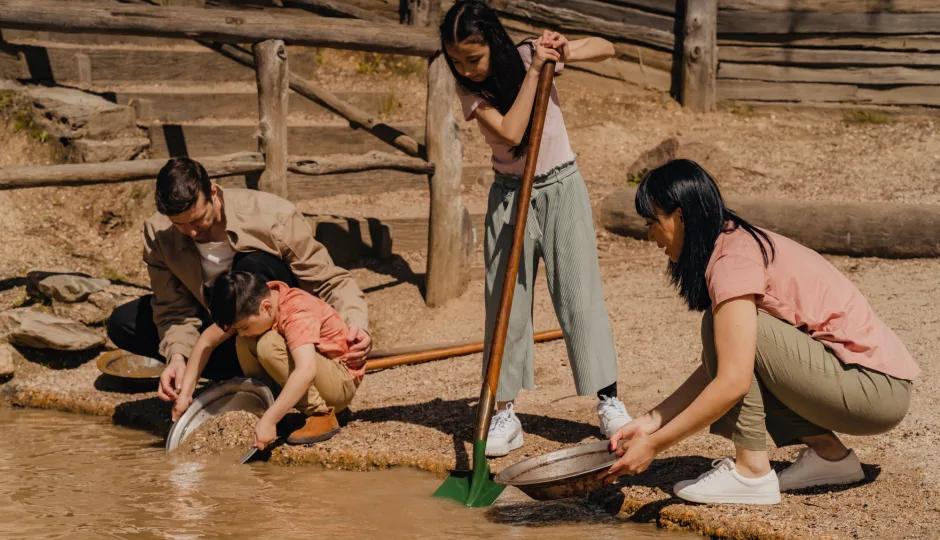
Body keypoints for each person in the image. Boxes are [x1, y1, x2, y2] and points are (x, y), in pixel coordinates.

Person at [602, 159, 918, 504]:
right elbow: (721, 366)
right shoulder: (729, 242)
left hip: (873, 392)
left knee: (724, 334)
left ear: (680, 216)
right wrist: (649, 422)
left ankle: (751, 472)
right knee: (730, 340)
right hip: (870, 387)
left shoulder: (731, 262)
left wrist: (655, 445)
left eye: (653, 222)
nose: (650, 236)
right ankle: (830, 457)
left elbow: (732, 381)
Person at [440, 0, 631, 457]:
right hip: (510, 197)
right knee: (507, 305)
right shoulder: (472, 90)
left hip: (562, 186)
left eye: (473, 58)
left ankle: (609, 401)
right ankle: (505, 411)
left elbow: (607, 47)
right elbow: (510, 131)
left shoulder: (531, 55)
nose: (466, 70)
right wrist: (535, 74)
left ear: (495, 42)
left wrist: (566, 49)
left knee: (579, 297)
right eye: (456, 61)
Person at [105, 157, 372, 404]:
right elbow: (172, 309)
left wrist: (356, 327)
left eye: (198, 219)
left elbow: (329, 280)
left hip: (282, 328)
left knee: (251, 267)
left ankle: (279, 366)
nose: (193, 231)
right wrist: (177, 357)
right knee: (124, 322)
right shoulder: (158, 233)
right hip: (226, 331)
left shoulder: (272, 216)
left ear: (213, 192)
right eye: (181, 225)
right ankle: (244, 374)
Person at [173, 271, 363, 446]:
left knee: (267, 345)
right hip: (316, 378)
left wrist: (269, 421)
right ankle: (268, 407)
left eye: (245, 326)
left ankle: (322, 415)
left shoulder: (297, 310)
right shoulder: (251, 300)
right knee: (243, 341)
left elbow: (306, 370)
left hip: (339, 383)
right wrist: (185, 396)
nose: (242, 332)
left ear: (266, 307)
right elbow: (206, 341)